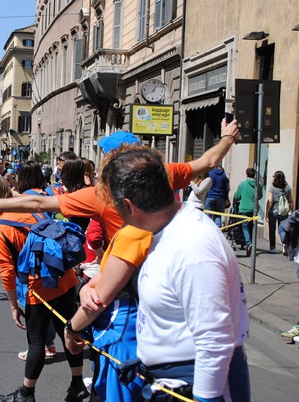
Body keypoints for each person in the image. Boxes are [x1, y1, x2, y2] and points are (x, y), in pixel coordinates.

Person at [0, 120, 242, 401]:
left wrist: (74, 325)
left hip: (174, 365)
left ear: (127, 202)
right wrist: (228, 137)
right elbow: (208, 160)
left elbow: (214, 343)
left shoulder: (153, 238)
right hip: (156, 351)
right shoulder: (163, 195)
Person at [91, 145, 250, 401]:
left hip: (193, 383)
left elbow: (215, 338)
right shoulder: (167, 231)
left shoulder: (192, 246)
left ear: (129, 206)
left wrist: (205, 398)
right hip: (170, 378)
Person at [0, 171, 89, 402]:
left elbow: (7, 271)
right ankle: (77, 383)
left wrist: (13, 305)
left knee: (37, 341)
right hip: (65, 278)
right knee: (69, 332)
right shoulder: (34, 209)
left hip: (39, 290)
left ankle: (26, 394)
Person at [233, 167, 263, 256]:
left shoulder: (242, 184)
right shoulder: (259, 185)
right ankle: (250, 243)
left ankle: (248, 243)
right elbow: (260, 196)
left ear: (247, 174)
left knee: (245, 227)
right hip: (254, 209)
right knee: (252, 227)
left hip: (244, 208)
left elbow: (237, 196)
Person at [265, 171, 294, 254]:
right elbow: (291, 200)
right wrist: (292, 212)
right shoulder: (288, 188)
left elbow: (270, 201)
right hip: (284, 212)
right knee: (282, 229)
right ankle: (284, 244)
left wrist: (267, 214)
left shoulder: (272, 188)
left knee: (272, 230)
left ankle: (272, 248)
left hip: (273, 212)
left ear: (275, 178)